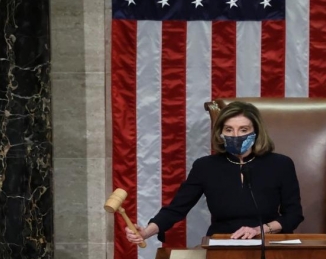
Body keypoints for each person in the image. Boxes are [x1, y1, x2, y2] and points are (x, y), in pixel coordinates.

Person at [126, 101, 304, 244]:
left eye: (244, 129)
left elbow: (293, 215)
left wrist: (259, 230)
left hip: (269, 242)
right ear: (220, 134)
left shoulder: (281, 164)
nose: (236, 135)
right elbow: (175, 209)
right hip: (223, 243)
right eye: (229, 130)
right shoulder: (205, 167)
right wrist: (146, 231)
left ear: (256, 132)